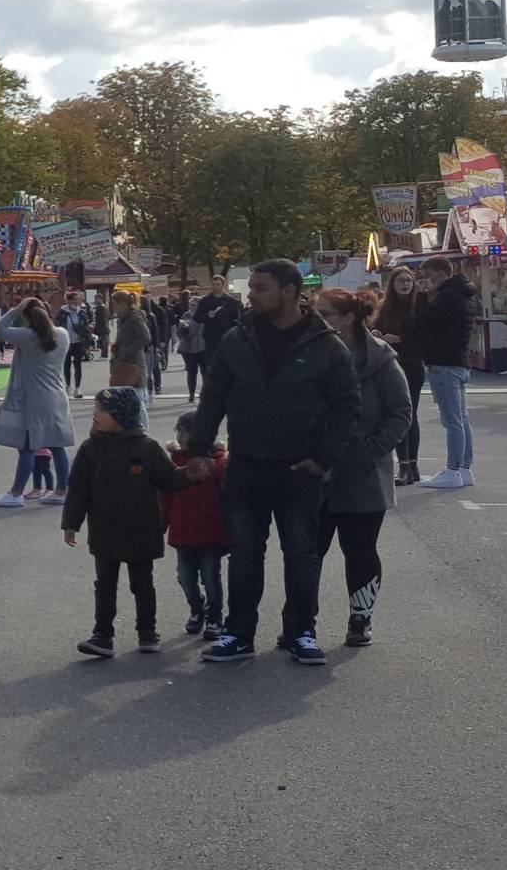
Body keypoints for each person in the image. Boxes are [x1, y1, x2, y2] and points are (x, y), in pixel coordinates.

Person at [177, 259, 361, 665]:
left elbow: (348, 406)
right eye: (253, 287)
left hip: (300, 470)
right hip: (246, 465)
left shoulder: (326, 344)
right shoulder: (236, 339)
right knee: (244, 554)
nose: (252, 294)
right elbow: (213, 398)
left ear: (290, 292)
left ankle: (301, 632)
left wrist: (323, 457)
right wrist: (199, 450)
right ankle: (238, 634)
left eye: (262, 288)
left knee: (301, 553)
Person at [64, 387, 203, 657]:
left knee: (142, 583)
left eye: (102, 410)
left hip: (142, 528)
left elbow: (167, 479)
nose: (95, 414)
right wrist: (72, 522)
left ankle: (147, 631)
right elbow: (78, 489)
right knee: (105, 584)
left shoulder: (146, 447)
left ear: (122, 415)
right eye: (96, 408)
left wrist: (190, 474)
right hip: (105, 529)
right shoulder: (90, 449)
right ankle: (102, 635)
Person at [315, 290, 413, 647]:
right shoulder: (310, 354)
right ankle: (300, 622)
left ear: (349, 318)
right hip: (316, 468)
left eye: (325, 314)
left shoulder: (381, 360)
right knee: (307, 549)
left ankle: (361, 618)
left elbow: (401, 412)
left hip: (363, 471)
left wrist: (370, 449)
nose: (318, 320)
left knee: (359, 550)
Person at [0, 298, 75, 510]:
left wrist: (17, 308)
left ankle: (16, 493)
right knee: (57, 445)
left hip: (34, 398)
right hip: (58, 395)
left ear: (27, 319)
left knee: (27, 446)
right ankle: (62, 490)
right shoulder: (63, 334)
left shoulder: (27, 337)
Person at [412, 258, 479, 488]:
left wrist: (421, 296)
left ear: (441, 273)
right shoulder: (464, 294)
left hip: (444, 363)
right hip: (459, 362)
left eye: (429, 275)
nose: (427, 281)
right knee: (461, 419)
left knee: (452, 421)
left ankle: (453, 471)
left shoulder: (448, 297)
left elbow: (422, 321)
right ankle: (465, 467)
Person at [164, 429, 229, 638]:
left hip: (211, 531)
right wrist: (161, 522)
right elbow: (164, 495)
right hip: (182, 530)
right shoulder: (175, 461)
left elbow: (227, 496)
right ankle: (197, 609)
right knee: (185, 577)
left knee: (211, 577)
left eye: (185, 431)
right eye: (178, 430)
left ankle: (215, 617)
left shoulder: (218, 462)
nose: (181, 436)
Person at [372, 265, 429, 485]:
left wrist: (400, 339)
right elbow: (373, 329)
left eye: (408, 280)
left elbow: (424, 337)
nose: (405, 284)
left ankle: (410, 465)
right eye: (400, 281)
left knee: (409, 415)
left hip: (412, 364)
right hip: (390, 366)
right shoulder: (384, 308)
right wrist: (376, 333)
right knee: (395, 414)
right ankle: (404, 464)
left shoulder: (419, 306)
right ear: (392, 285)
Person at [108, 291, 151, 389]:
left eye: (115, 304)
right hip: (122, 362)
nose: (113, 307)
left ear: (123, 303)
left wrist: (126, 351)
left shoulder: (134, 317)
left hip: (133, 362)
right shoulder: (122, 318)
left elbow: (145, 337)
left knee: (135, 392)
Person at [59, 296, 91, 392]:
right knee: (66, 364)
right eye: (74, 299)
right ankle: (68, 385)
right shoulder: (63, 312)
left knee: (78, 365)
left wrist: (87, 344)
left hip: (78, 341)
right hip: (66, 342)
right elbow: (58, 326)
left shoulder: (81, 312)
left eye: (77, 300)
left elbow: (87, 328)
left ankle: (77, 387)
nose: (76, 302)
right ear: (69, 301)